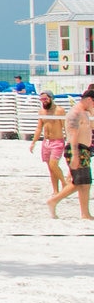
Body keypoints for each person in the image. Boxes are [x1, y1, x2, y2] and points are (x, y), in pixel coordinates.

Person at [51, 93, 94, 221]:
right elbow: (73, 136)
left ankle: (85, 213)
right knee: (78, 183)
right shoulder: (74, 113)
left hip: (84, 150)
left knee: (85, 183)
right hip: (76, 149)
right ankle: (53, 201)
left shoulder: (84, 113)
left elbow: (90, 128)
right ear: (89, 100)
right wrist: (75, 155)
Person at [35, 92, 69, 195]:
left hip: (57, 141)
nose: (44, 101)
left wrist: (69, 141)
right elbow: (39, 127)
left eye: (45, 99)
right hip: (46, 142)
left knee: (53, 164)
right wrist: (33, 142)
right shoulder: (42, 111)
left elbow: (65, 127)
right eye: (42, 99)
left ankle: (64, 183)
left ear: (51, 98)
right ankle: (55, 190)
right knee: (50, 168)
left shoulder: (59, 110)